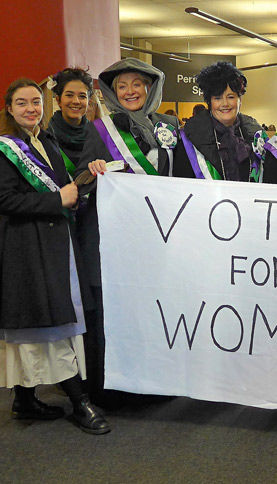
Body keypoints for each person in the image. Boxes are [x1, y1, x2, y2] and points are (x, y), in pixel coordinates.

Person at [0, 78, 109, 434]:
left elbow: (66, 188)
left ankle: (24, 398)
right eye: (22, 103)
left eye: (36, 102)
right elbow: (5, 201)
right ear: (9, 108)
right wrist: (57, 201)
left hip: (55, 244)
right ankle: (79, 401)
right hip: (26, 247)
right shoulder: (3, 149)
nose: (31, 109)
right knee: (48, 320)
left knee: (36, 319)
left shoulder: (46, 140)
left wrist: (89, 175)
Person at [76, 57, 183, 405]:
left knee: (155, 306)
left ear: (150, 88)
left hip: (160, 238)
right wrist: (91, 172)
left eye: (137, 84)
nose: (130, 91)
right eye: (121, 86)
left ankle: (158, 381)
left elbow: (184, 178)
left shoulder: (170, 125)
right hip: (119, 241)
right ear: (112, 92)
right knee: (122, 311)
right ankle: (118, 390)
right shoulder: (100, 130)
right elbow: (79, 183)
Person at [175, 61, 262, 181]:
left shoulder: (255, 135)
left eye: (231, 97)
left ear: (239, 100)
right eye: (217, 98)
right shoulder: (190, 138)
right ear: (209, 102)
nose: (225, 104)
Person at [47, 67, 94, 173]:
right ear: (59, 100)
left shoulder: (97, 135)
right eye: (69, 95)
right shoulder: (46, 137)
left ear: (88, 101)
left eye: (82, 96)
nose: (76, 101)